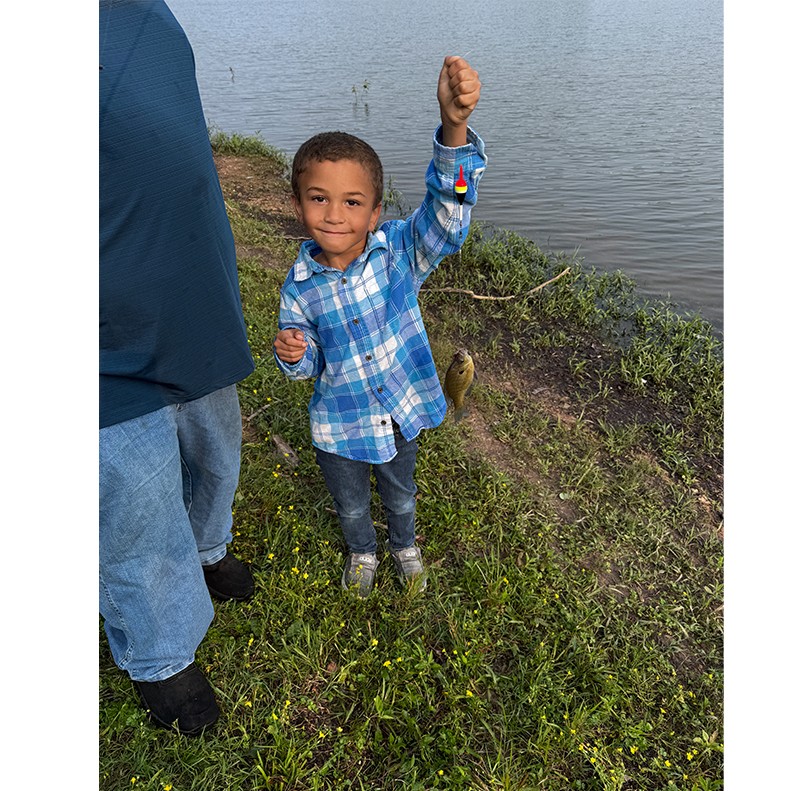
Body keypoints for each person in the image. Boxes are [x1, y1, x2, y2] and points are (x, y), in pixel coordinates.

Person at [273, 56, 486, 597]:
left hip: (400, 410)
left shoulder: (398, 254)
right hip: (340, 426)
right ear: (299, 206)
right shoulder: (299, 286)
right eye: (318, 199)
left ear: (375, 213)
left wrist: (453, 127)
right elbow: (308, 366)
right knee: (350, 503)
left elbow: (449, 216)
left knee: (402, 492)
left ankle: (404, 545)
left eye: (352, 202)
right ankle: (364, 551)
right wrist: (295, 355)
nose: (334, 215)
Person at [100, 0, 256, 735]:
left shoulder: (146, 11)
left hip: (193, 300)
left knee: (214, 451)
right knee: (134, 504)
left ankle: (207, 547)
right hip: (98, 337)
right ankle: (161, 657)